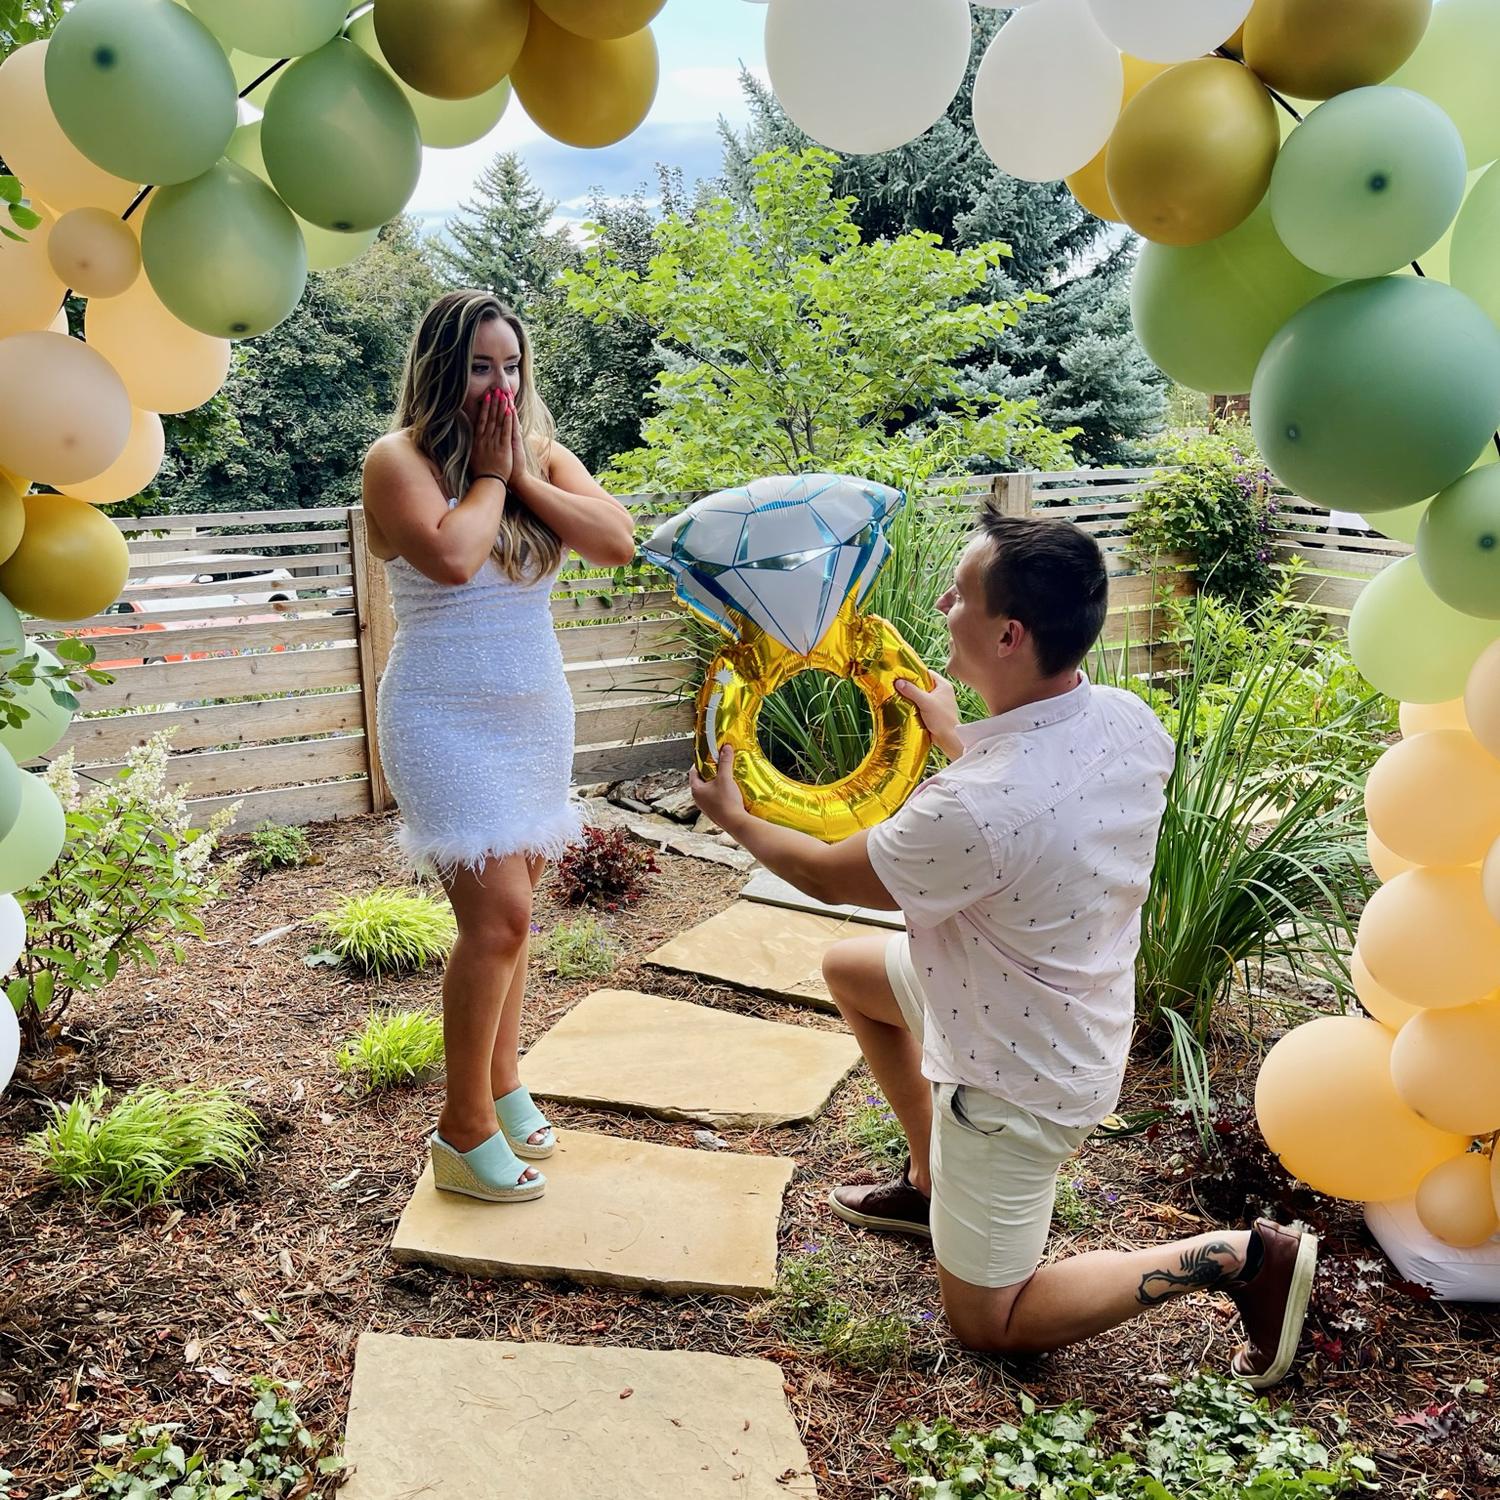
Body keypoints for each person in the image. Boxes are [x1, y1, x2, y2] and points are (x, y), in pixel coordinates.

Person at [690, 501, 1318, 1387]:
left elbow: (829, 875)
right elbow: (1031, 802)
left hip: (1015, 1081)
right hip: (1056, 1005)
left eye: (958, 595)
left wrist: (735, 817)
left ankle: (1242, 1258)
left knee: (990, 1322)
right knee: (853, 971)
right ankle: (930, 1182)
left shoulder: (972, 811)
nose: (942, 606)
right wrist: (957, 735)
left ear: (1010, 635)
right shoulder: (1128, 720)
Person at [362, 289, 636, 1205]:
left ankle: (504, 1085)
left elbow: (617, 542)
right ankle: (462, 1128)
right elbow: (451, 558)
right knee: (499, 923)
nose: (500, 385)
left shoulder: (540, 452)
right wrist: (490, 475)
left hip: (532, 714)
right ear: (441, 368)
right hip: (442, 716)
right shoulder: (397, 460)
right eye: (481, 366)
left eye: (511, 365)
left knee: (513, 920)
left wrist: (522, 472)